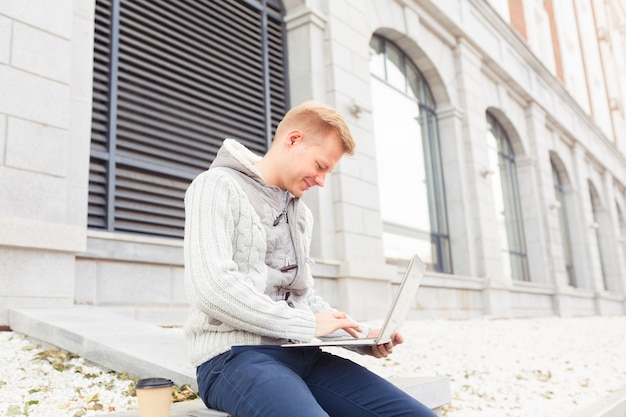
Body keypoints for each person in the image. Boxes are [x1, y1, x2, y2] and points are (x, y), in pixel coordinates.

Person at [183, 101, 436, 417]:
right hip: (232, 358)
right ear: (293, 140)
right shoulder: (215, 186)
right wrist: (306, 324)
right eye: (320, 166)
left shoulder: (301, 214)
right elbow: (211, 289)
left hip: (303, 354)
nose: (322, 181)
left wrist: (359, 336)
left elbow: (305, 299)